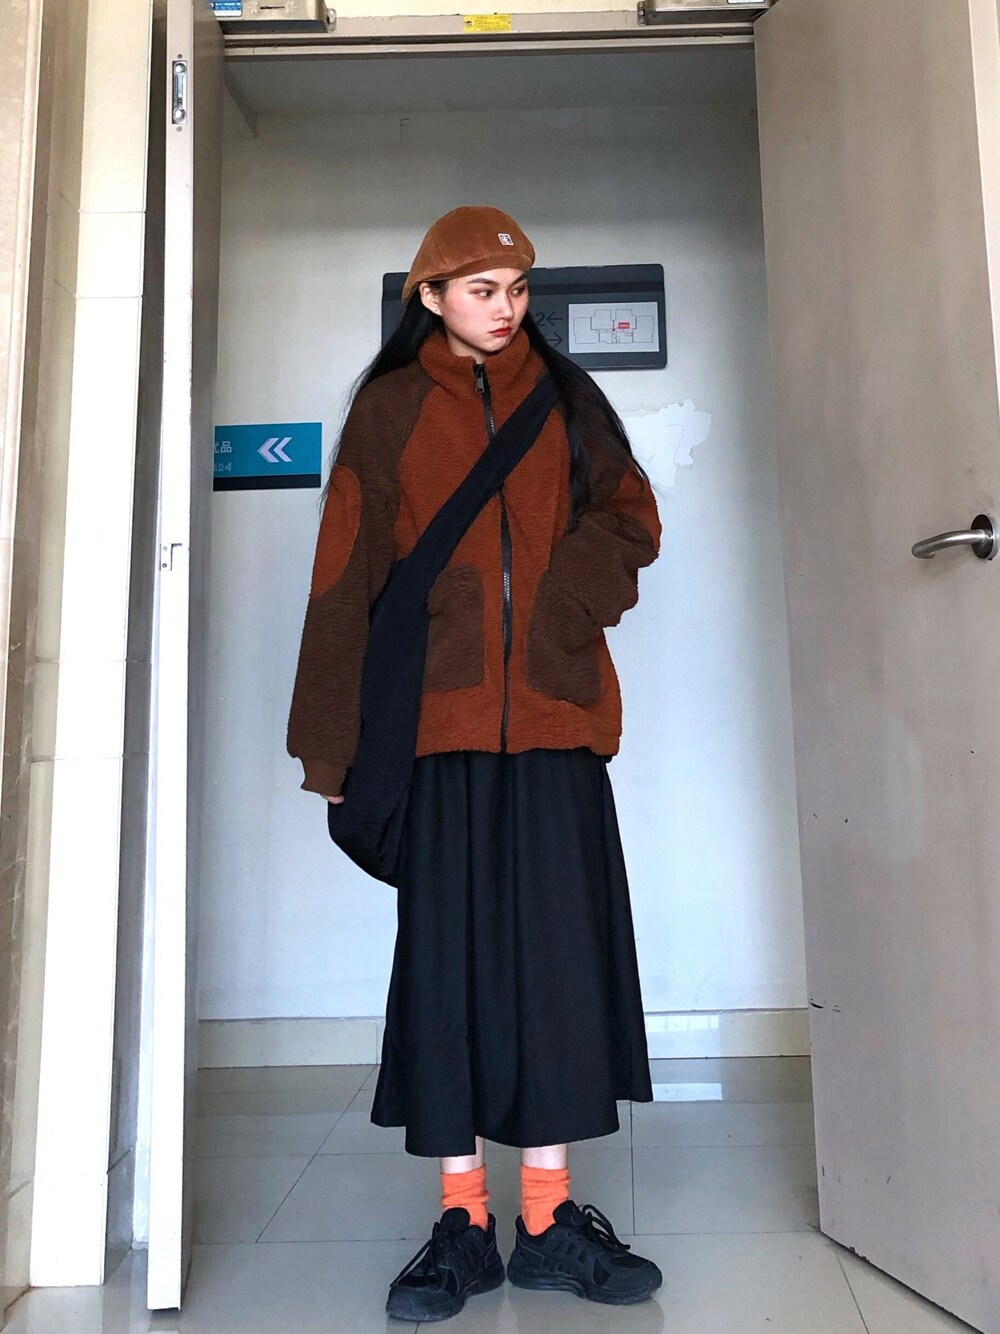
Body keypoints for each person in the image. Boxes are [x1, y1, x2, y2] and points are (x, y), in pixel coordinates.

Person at [287, 205, 664, 1322]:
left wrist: (562, 608)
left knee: (558, 968)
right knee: (447, 973)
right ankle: (463, 1222)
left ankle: (547, 1220)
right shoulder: (390, 409)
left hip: (555, 719)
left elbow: (629, 515)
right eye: (483, 289)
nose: (507, 308)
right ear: (432, 296)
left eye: (517, 288)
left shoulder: (568, 398)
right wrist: (328, 742)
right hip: (436, 729)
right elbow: (344, 575)